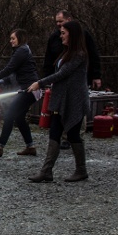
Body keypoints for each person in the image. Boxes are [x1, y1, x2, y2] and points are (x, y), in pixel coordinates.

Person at [27, 20, 90, 182]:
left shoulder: (79, 55)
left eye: (63, 33)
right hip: (61, 99)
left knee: (73, 134)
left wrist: (39, 83)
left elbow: (62, 74)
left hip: (74, 100)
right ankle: (46, 171)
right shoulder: (66, 53)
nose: (60, 36)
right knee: (54, 132)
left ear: (72, 35)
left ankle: (81, 170)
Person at [43, 10, 102, 149]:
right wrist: (47, 77)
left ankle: (74, 137)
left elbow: (93, 55)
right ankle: (61, 139)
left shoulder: (83, 37)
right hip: (59, 82)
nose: (58, 24)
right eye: (56, 22)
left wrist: (96, 75)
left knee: (76, 107)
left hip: (77, 82)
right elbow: (49, 59)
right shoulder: (54, 38)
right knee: (60, 109)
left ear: (69, 19)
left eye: (61, 21)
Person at [0, 29, 40, 157]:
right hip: (29, 89)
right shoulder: (21, 50)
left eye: (13, 38)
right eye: (10, 38)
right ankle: (30, 147)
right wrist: (3, 81)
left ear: (20, 38)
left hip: (29, 89)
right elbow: (15, 73)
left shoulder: (22, 50)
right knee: (19, 118)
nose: (10, 41)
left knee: (9, 115)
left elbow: (9, 69)